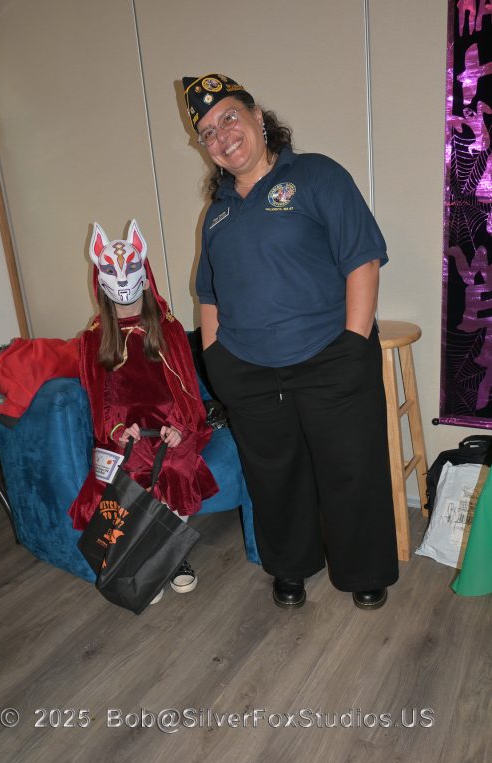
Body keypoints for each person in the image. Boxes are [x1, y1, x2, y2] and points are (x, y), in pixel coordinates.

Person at [181, 73, 399, 610]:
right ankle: (290, 568)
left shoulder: (318, 175)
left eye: (228, 118)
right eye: (208, 132)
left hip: (329, 356)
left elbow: (362, 258)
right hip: (249, 370)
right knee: (274, 478)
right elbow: (209, 294)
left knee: (351, 470)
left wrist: (354, 343)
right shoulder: (217, 213)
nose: (221, 136)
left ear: (257, 117)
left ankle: (364, 570)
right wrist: (216, 360)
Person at [69, 219, 218, 602]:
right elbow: (98, 401)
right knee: (131, 476)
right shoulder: (94, 339)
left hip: (171, 428)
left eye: (131, 269)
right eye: (113, 272)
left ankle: (172, 554)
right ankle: (144, 558)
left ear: (146, 277)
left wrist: (180, 426)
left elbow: (186, 391)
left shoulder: (168, 329)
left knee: (175, 468)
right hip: (125, 433)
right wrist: (118, 431)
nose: (123, 281)